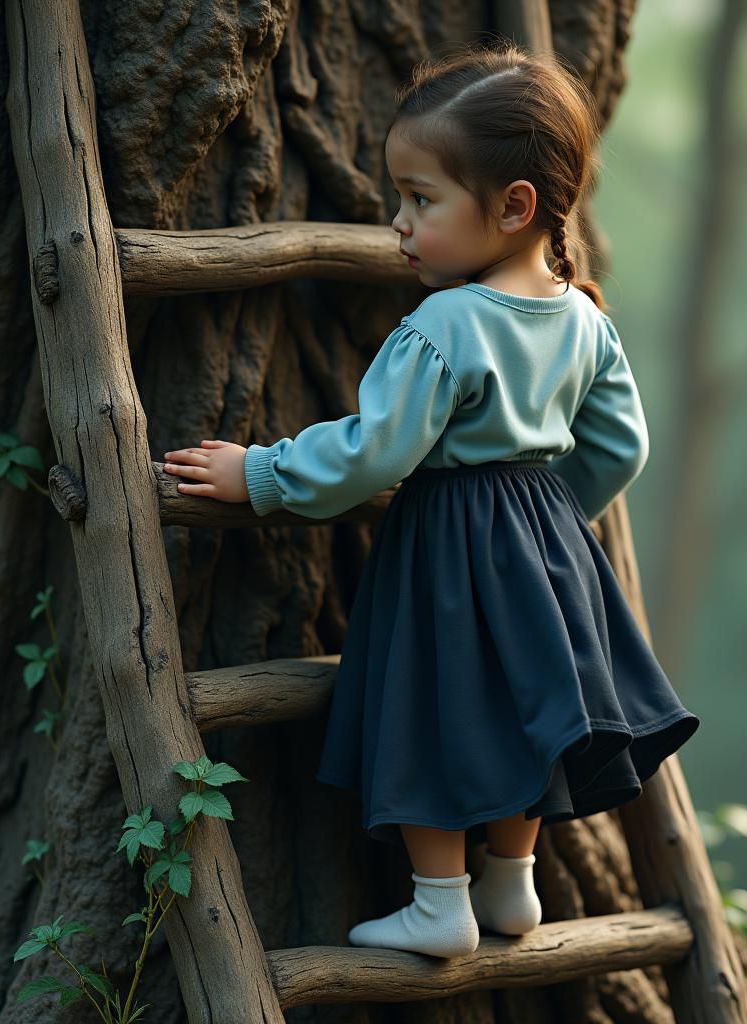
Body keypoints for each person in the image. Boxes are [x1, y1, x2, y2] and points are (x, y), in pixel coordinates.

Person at [161, 40, 700, 959]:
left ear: (514, 206)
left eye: (420, 200)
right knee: (525, 703)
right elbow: (622, 447)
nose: (399, 224)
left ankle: (438, 899)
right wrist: (545, 520)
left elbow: (375, 454)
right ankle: (512, 882)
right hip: (549, 545)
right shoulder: (584, 318)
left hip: (448, 543)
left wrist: (259, 474)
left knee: (435, 703)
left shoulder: (447, 322)